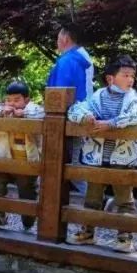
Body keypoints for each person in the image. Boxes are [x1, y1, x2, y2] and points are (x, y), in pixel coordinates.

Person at [67, 55, 137, 253]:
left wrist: (111, 124)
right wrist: (85, 117)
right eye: (125, 75)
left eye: (132, 76)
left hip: (123, 157)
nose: (130, 80)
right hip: (96, 156)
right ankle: (87, 233)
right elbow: (75, 110)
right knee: (92, 198)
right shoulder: (98, 97)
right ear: (111, 78)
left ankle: (125, 238)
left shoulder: (133, 98)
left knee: (124, 199)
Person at [0, 81, 45, 230]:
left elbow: (42, 113)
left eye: (17, 100)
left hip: (27, 164)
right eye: (9, 100)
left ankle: (28, 224)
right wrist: (3, 111)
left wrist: (24, 113)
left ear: (26, 100)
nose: (12, 104)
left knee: (27, 196)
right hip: (4, 159)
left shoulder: (33, 110)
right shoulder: (3, 111)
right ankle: (0, 216)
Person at [47, 26, 94, 189]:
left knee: (67, 166)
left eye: (58, 39)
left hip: (67, 119)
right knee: (72, 166)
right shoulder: (82, 57)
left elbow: (59, 94)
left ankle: (99, 202)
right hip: (81, 114)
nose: (57, 43)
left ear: (65, 39)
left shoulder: (67, 61)